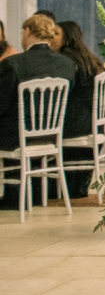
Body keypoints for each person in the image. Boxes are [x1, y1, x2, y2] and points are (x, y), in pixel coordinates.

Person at [0, 14, 76, 205]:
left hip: (15, 136)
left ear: (27, 32)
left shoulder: (13, 63)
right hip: (51, 136)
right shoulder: (66, 64)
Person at [56, 20, 105, 198]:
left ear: (67, 38)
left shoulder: (66, 61)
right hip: (94, 123)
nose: (51, 38)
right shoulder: (90, 59)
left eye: (56, 34)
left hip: (75, 123)